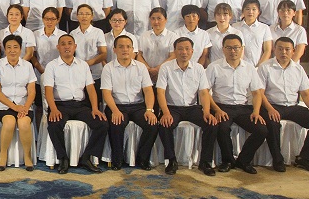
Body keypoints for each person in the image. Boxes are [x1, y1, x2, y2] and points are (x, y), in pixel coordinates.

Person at [258, 37, 309, 173]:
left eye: (287, 49)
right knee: (272, 123)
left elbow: (306, 93)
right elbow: (260, 93)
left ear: (293, 51)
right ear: (274, 50)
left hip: (292, 107)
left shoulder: (298, 69)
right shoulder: (265, 67)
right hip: (272, 105)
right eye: (280, 49)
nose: (283, 52)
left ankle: (305, 158)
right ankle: (277, 160)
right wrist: (270, 109)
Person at [43, 32, 108, 174]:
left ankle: (86, 157)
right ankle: (63, 158)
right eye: (63, 44)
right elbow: (48, 90)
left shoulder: (83, 65)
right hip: (60, 105)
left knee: (102, 123)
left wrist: (95, 108)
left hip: (80, 105)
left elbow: (90, 88)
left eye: (69, 44)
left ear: (75, 46)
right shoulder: (51, 66)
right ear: (58, 47)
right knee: (54, 125)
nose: (67, 47)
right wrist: (53, 109)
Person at [156, 37, 218, 176]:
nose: (184, 52)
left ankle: (205, 162)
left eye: (187, 49)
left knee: (211, 124)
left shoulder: (199, 68)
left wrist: (207, 112)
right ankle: (171, 160)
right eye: (180, 49)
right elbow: (160, 92)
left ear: (192, 51)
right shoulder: (166, 68)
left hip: (192, 108)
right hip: (172, 107)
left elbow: (204, 92)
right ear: (175, 51)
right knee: (164, 125)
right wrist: (165, 112)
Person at [206, 34, 266, 174]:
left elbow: (257, 93)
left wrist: (256, 112)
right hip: (221, 106)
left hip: (243, 107)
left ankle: (243, 160)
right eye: (229, 48)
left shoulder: (249, 68)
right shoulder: (214, 67)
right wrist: (216, 109)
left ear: (242, 49)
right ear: (223, 49)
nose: (233, 51)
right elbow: (205, 92)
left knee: (261, 130)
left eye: (236, 48)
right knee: (222, 128)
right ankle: (228, 161)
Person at [101, 35, 158, 171]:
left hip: (138, 106)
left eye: (128, 47)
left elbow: (148, 91)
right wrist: (115, 111)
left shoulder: (141, 67)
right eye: (121, 47)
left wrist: (149, 110)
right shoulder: (108, 68)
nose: (125, 50)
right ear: (114, 50)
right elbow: (106, 93)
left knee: (152, 124)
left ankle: (143, 159)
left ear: (133, 49)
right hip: (117, 106)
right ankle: (117, 160)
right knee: (116, 124)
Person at [0, 35, 37, 171]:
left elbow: (32, 91)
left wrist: (25, 107)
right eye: (9, 47)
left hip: (24, 106)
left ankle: (27, 156)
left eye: (15, 47)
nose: (12, 50)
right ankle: (3, 154)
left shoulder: (27, 66)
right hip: (4, 106)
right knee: (9, 122)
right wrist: (14, 107)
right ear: (4, 49)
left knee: (24, 123)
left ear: (20, 49)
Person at [70, 4, 108, 101]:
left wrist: (87, 64)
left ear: (92, 16)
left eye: (87, 14)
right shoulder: (73, 33)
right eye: (81, 14)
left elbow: (103, 54)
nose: (84, 16)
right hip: (78, 73)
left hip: (95, 73)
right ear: (77, 16)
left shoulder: (98, 32)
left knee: (96, 101)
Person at [136, 8, 178, 82]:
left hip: (165, 74)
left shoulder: (172, 36)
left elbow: (173, 56)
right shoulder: (144, 35)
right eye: (153, 19)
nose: (156, 22)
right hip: (146, 74)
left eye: (159, 18)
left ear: (166, 19)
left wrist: (158, 69)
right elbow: (139, 55)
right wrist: (148, 69)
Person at [234, 0, 273, 67]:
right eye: (247, 9)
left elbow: (267, 50)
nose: (250, 12)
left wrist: (259, 67)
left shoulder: (264, 28)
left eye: (254, 9)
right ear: (243, 11)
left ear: (258, 12)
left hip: (258, 66)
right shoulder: (235, 27)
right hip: (239, 66)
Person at [32, 7, 66, 76]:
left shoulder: (63, 35)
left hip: (58, 72)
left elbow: (66, 55)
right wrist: (41, 70)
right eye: (47, 19)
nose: (49, 22)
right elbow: (32, 55)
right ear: (43, 19)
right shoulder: (35, 34)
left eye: (53, 19)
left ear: (57, 20)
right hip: (39, 72)